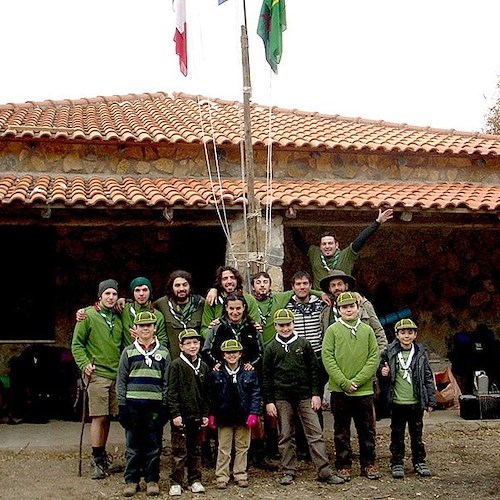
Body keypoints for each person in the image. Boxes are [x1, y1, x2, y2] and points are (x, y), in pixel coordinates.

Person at [263, 309, 344, 486]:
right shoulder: (270, 348)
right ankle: (288, 470)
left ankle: (324, 470)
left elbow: (314, 371)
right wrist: (269, 401)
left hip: (305, 395)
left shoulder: (304, 344)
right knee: (285, 434)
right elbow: (266, 376)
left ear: (294, 324)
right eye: (281, 325)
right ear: (275, 326)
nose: (285, 329)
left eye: (288, 325)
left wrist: (316, 394)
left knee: (315, 432)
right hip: (282, 397)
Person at [321, 291, 381, 481]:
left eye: (351, 306)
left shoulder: (367, 330)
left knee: (366, 430)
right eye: (344, 307)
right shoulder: (332, 330)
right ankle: (344, 465)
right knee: (341, 431)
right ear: (338, 310)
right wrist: (344, 382)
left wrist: (359, 380)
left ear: (358, 308)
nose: (348, 310)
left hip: (364, 390)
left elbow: (374, 357)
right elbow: (327, 357)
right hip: (340, 390)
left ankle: (369, 464)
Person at [71, 279, 125, 479]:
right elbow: (77, 345)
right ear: (100, 296)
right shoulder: (87, 316)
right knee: (98, 416)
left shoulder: (119, 315)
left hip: (114, 373)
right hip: (97, 374)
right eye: (107, 294)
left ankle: (102, 457)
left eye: (114, 294)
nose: (111, 298)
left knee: (108, 416)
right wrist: (85, 364)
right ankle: (95, 458)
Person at [116, 311, 171, 497]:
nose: (145, 328)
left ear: (155, 328)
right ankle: (131, 480)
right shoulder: (128, 352)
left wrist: (165, 406)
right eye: (141, 326)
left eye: (149, 325)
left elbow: (166, 381)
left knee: (153, 444)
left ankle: (151, 480)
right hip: (133, 405)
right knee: (133, 445)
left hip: (154, 406)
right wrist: (122, 406)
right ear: (135, 329)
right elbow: (121, 380)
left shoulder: (163, 353)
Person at [379, 318, 437, 479]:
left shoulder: (421, 353)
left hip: (415, 402)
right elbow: (381, 372)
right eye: (403, 333)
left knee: (416, 434)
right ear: (396, 335)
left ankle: (419, 461)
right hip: (397, 402)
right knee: (397, 434)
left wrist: (431, 401)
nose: (406, 336)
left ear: (415, 334)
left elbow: (427, 378)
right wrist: (382, 373)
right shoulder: (389, 352)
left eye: (410, 332)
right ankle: (397, 462)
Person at [292, 209, 393, 289]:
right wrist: (292, 221)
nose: (327, 246)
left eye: (330, 243)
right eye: (324, 244)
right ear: (320, 246)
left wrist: (377, 222)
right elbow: (299, 242)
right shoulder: (314, 253)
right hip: (320, 301)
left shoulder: (347, 255)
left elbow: (361, 240)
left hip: (342, 299)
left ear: (337, 245)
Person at [208, 339, 261, 489]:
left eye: (235, 352)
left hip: (243, 415)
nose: (232, 355)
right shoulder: (216, 373)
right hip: (223, 415)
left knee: (242, 446)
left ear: (240, 354)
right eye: (228, 353)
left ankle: (240, 473)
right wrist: (212, 414)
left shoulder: (249, 372)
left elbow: (255, 393)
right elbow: (212, 396)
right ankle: (222, 476)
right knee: (223, 448)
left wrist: (254, 413)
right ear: (223, 355)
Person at [167, 328, 210, 496]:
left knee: (196, 449)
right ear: (181, 346)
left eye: (195, 343)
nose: (192, 346)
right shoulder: (176, 365)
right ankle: (176, 481)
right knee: (179, 451)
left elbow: (207, 393)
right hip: (181, 416)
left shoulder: (204, 366)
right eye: (188, 343)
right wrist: (175, 413)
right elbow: (172, 392)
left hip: (197, 415)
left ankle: (195, 479)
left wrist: (206, 413)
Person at [319, 270, 387, 353]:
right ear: (329, 289)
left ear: (346, 286)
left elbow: (378, 330)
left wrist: (380, 355)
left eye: (339, 284)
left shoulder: (362, 304)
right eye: (333, 285)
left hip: (364, 356)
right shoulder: (326, 311)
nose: (337, 288)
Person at [203, 293, 263, 372]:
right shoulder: (216, 327)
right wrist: (217, 364)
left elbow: (261, 353)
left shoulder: (253, 328)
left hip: (248, 375)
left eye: (238, 308)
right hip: (222, 374)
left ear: (244, 308)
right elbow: (206, 351)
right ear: (226, 308)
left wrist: (252, 364)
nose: (235, 312)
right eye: (231, 308)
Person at [154, 270, 205, 360]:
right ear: (171, 287)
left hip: (197, 361)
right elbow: (144, 305)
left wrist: (214, 290)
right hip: (172, 361)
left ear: (190, 287)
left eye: (185, 285)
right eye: (177, 285)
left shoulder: (201, 303)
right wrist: (123, 301)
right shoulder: (161, 304)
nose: (181, 289)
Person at [201, 266, 260, 339]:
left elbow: (256, 327)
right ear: (220, 282)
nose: (229, 281)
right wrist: (214, 330)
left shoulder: (249, 300)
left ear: (237, 280)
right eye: (225, 279)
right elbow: (204, 331)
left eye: (232, 278)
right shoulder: (212, 300)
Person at [121, 277, 168, 349]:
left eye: (145, 290)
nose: (141, 293)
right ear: (132, 292)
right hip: (129, 356)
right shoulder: (124, 309)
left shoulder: (157, 315)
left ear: (150, 291)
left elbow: (163, 341)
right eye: (137, 290)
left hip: (151, 356)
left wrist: (147, 339)